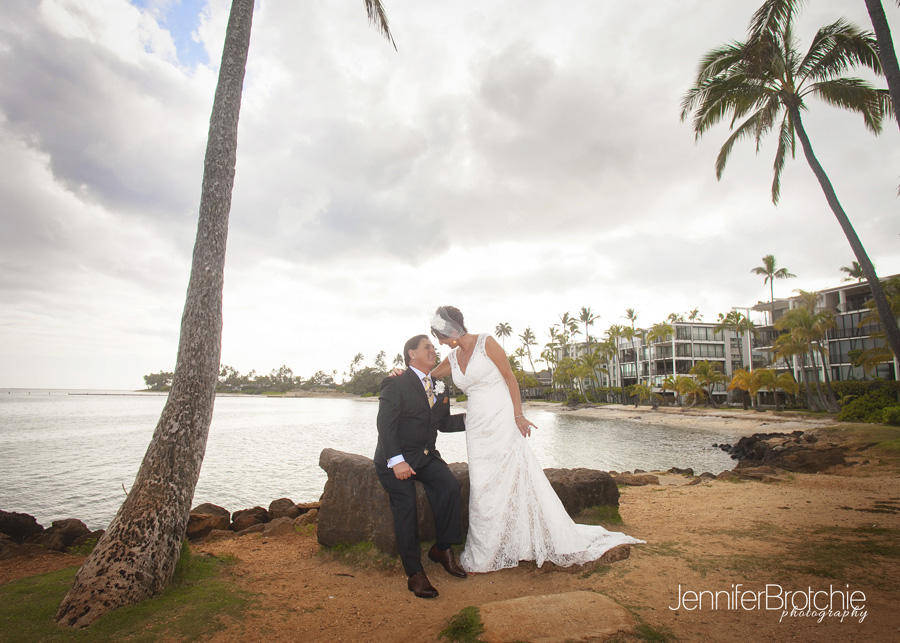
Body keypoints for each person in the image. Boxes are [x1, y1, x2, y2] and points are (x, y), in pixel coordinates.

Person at [428, 305, 643, 573]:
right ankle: (491, 547)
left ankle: (521, 542)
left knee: (512, 476)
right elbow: (427, 376)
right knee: (484, 484)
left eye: (439, 335)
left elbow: (510, 379)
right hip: (477, 425)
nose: (438, 341)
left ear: (451, 329)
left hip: (502, 418)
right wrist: (401, 375)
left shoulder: (487, 343)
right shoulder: (452, 356)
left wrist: (519, 415)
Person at [374, 334, 467, 598]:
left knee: (449, 486)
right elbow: (385, 425)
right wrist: (397, 460)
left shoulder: (440, 386)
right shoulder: (395, 383)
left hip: (425, 457)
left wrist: (476, 418)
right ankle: (414, 572)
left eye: (433, 347)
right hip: (396, 459)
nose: (433, 350)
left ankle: (442, 549)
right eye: (427, 347)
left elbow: (444, 424)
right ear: (411, 354)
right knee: (406, 505)